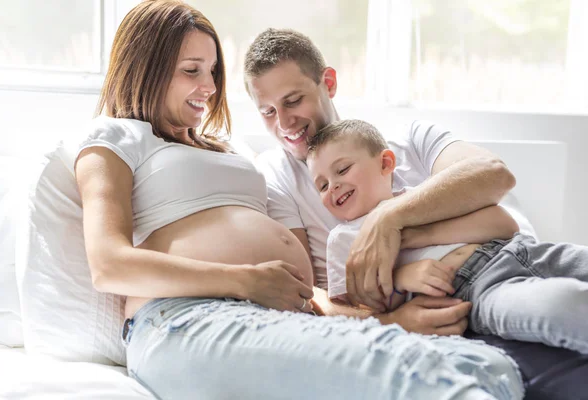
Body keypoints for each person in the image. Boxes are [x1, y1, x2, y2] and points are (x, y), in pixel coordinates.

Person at [69, 1, 526, 399]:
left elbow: (495, 180)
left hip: (268, 312)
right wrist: (244, 281)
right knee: (424, 376)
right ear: (146, 67)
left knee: (489, 367)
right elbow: (108, 264)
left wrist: (379, 317)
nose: (208, 87)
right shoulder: (115, 136)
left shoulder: (223, 149)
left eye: (212, 72)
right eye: (192, 70)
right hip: (183, 315)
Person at [246, 28, 518, 331]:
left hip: (502, 263)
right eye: (268, 112)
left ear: (329, 83)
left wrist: (388, 219)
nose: (284, 123)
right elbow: (300, 292)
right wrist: (391, 322)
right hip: (453, 305)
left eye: (293, 100)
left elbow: (495, 174)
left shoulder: (410, 139)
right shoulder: (275, 177)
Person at [307, 119, 588, 354]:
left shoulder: (425, 198)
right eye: (321, 186)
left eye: (342, 170)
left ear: (386, 163)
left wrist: (408, 236)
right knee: (564, 305)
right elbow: (360, 304)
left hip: (518, 250)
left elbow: (504, 224)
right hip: (477, 290)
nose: (333, 186)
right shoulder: (342, 239)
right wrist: (401, 276)